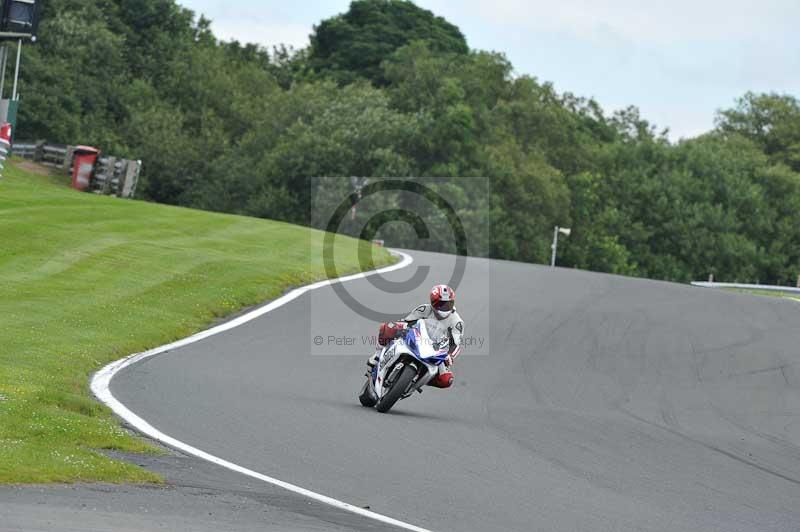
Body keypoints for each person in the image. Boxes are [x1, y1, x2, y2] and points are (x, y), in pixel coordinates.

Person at [366, 284, 464, 388]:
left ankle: (421, 378)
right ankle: (377, 356)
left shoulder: (457, 322)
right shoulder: (424, 309)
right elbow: (407, 321)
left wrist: (450, 356)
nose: (445, 308)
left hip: (437, 350)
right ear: (433, 303)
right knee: (387, 327)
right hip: (418, 337)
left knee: (446, 380)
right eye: (441, 304)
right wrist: (401, 327)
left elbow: (456, 344)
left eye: (448, 304)